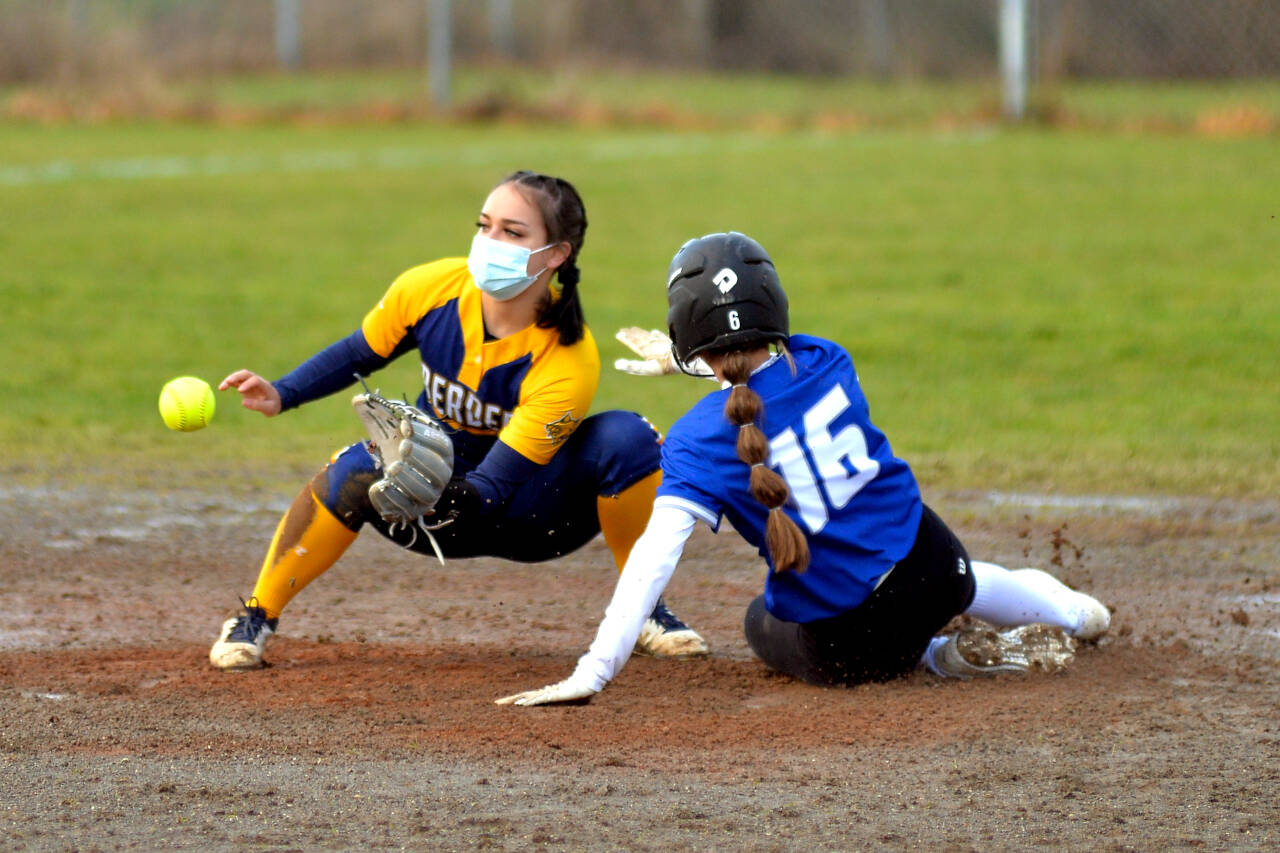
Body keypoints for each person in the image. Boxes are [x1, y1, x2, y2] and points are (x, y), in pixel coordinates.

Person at [497, 231, 1110, 706]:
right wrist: (696, 361)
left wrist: (592, 671)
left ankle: (940, 656)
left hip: (851, 644)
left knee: (762, 623)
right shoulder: (828, 358)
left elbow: (651, 564)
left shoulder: (691, 442)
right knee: (964, 578)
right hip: (933, 565)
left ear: (685, 332)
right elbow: (767, 379)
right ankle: (1078, 615)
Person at [209, 171, 708, 670]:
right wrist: (282, 392)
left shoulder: (568, 357)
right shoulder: (431, 288)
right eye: (485, 225)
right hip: (430, 505)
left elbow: (494, 485)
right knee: (350, 469)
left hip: (532, 514)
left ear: (556, 255)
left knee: (629, 437)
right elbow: (360, 351)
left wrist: (446, 490)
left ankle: (646, 611)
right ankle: (255, 616)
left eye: (513, 233)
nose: (491, 242)